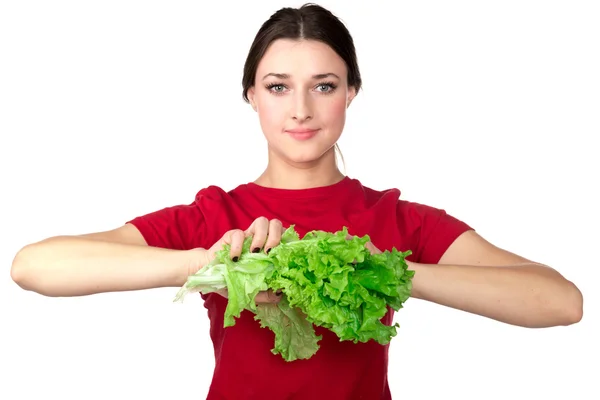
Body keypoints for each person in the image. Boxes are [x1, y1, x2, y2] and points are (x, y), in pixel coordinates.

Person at [10, 3, 583, 399]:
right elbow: (34, 266)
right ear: (251, 96)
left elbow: (560, 303)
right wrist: (201, 263)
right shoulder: (215, 217)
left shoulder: (394, 220)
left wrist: (386, 271)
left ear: (351, 94)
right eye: (279, 86)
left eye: (324, 85)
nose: (301, 109)